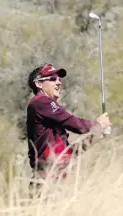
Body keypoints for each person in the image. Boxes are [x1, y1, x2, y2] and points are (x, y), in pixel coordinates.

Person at [27, 63, 112, 196]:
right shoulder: (40, 102)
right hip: (47, 181)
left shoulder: (49, 116)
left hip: (58, 181)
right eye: (52, 79)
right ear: (38, 84)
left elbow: (69, 153)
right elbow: (74, 123)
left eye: (59, 79)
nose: (59, 82)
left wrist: (96, 135)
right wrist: (98, 124)